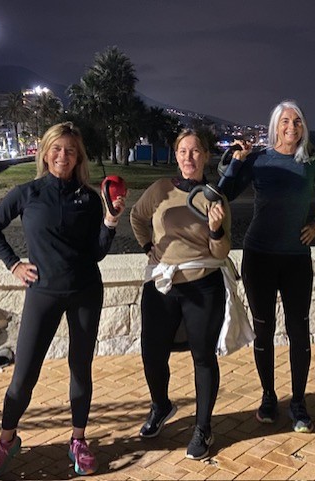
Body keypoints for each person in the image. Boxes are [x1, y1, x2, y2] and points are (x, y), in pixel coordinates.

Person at [0, 122, 126, 479]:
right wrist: (13, 264)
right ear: (45, 153)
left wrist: (110, 221)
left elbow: (97, 253)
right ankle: (6, 440)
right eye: (57, 149)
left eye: (70, 151)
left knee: (80, 369)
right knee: (23, 375)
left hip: (85, 292)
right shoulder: (27, 193)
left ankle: (78, 440)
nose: (63, 156)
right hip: (43, 293)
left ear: (78, 158)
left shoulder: (89, 198)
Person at [218, 100, 315, 433]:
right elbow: (224, 194)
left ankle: (298, 403)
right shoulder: (259, 159)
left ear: (303, 126)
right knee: (263, 329)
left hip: (296, 258)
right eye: (285, 121)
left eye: (297, 121)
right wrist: (236, 161)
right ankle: (268, 396)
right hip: (259, 256)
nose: (291, 126)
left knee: (299, 330)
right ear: (275, 126)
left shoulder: (310, 161)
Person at [130, 129, 230, 461]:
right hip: (162, 284)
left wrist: (216, 229)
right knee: (152, 352)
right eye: (183, 151)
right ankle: (161, 405)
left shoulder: (215, 198)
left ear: (205, 156)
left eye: (195, 151)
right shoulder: (160, 189)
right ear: (176, 156)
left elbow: (221, 252)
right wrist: (148, 246)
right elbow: (137, 217)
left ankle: (203, 428)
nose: (189, 157)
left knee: (203, 357)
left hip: (203, 285)